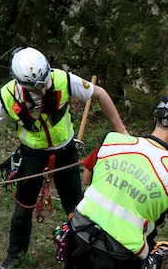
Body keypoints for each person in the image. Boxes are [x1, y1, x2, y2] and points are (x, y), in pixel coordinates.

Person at [0, 47, 127, 269]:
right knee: (23, 208)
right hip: (32, 154)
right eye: (35, 87)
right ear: (20, 83)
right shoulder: (7, 96)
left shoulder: (62, 79)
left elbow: (99, 94)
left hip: (65, 152)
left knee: (76, 208)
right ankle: (15, 255)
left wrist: (122, 132)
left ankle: (77, 256)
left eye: (44, 83)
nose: (42, 90)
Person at [64, 97, 168, 269]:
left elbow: (86, 179)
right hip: (120, 255)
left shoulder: (113, 140)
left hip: (78, 232)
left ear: (155, 117)